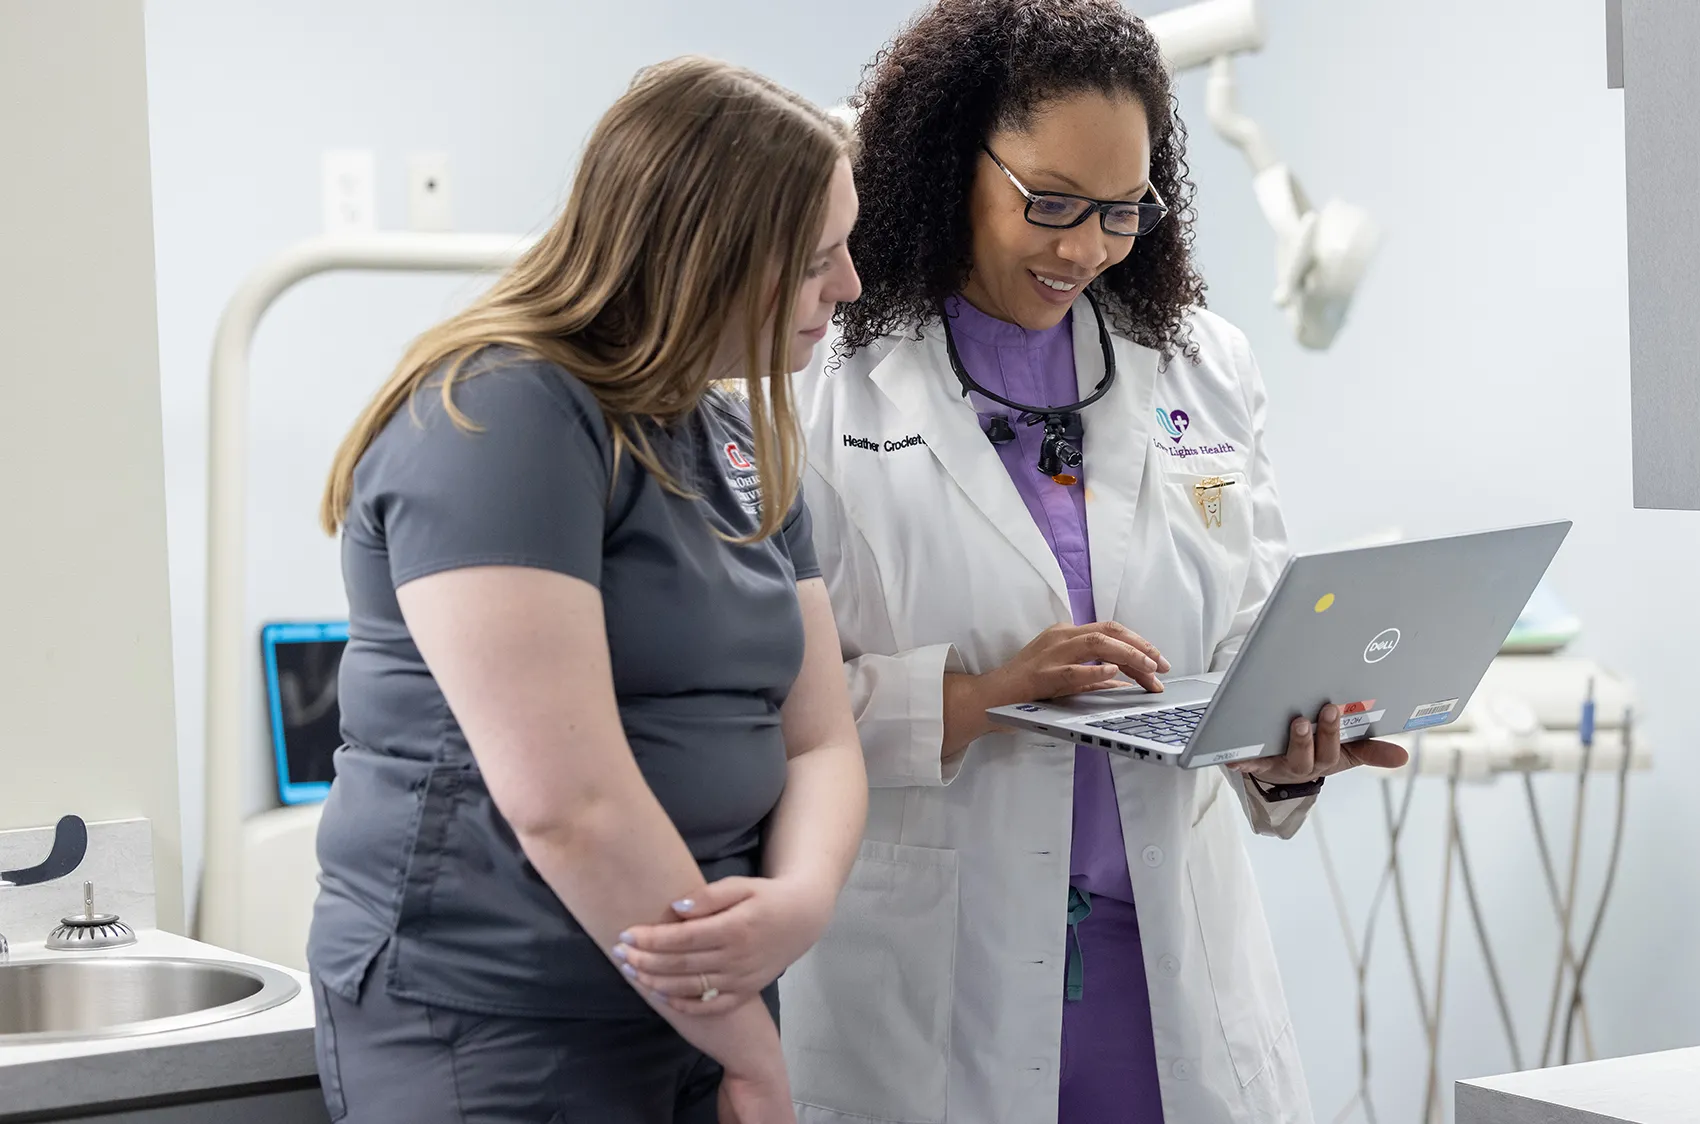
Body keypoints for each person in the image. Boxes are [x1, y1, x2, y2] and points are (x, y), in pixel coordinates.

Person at [622, 3, 1410, 1121]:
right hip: (933, 969)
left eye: (1122, 211)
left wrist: (1283, 751)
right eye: (1049, 203)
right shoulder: (813, 374)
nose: (1085, 247)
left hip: (1168, 967)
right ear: (951, 165)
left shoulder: (1199, 362)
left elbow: (1242, 624)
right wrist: (977, 700)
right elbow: (747, 701)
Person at [305, 56, 867, 1124]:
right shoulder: (502, 415)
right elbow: (569, 804)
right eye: (816, 260)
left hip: (696, 1005)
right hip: (502, 1019)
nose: (845, 288)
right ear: (708, 257)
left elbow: (819, 738)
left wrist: (800, 901)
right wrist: (748, 1044)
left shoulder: (734, 438)